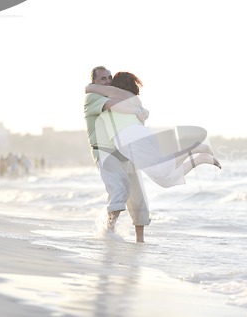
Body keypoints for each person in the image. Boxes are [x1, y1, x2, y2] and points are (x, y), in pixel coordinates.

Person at [86, 71, 221, 189]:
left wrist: (90, 86)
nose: (109, 83)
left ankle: (193, 150)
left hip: (128, 138)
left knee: (162, 173)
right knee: (166, 179)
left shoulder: (114, 96)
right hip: (144, 134)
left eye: (110, 79)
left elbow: (91, 89)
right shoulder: (134, 100)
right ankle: (200, 159)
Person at [84, 66, 150, 242]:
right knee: (119, 189)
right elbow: (116, 105)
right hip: (105, 151)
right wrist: (137, 109)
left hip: (127, 151)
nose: (107, 81)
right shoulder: (93, 97)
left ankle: (140, 240)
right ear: (94, 82)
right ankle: (108, 232)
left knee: (138, 197)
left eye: (109, 78)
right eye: (103, 79)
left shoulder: (122, 97)